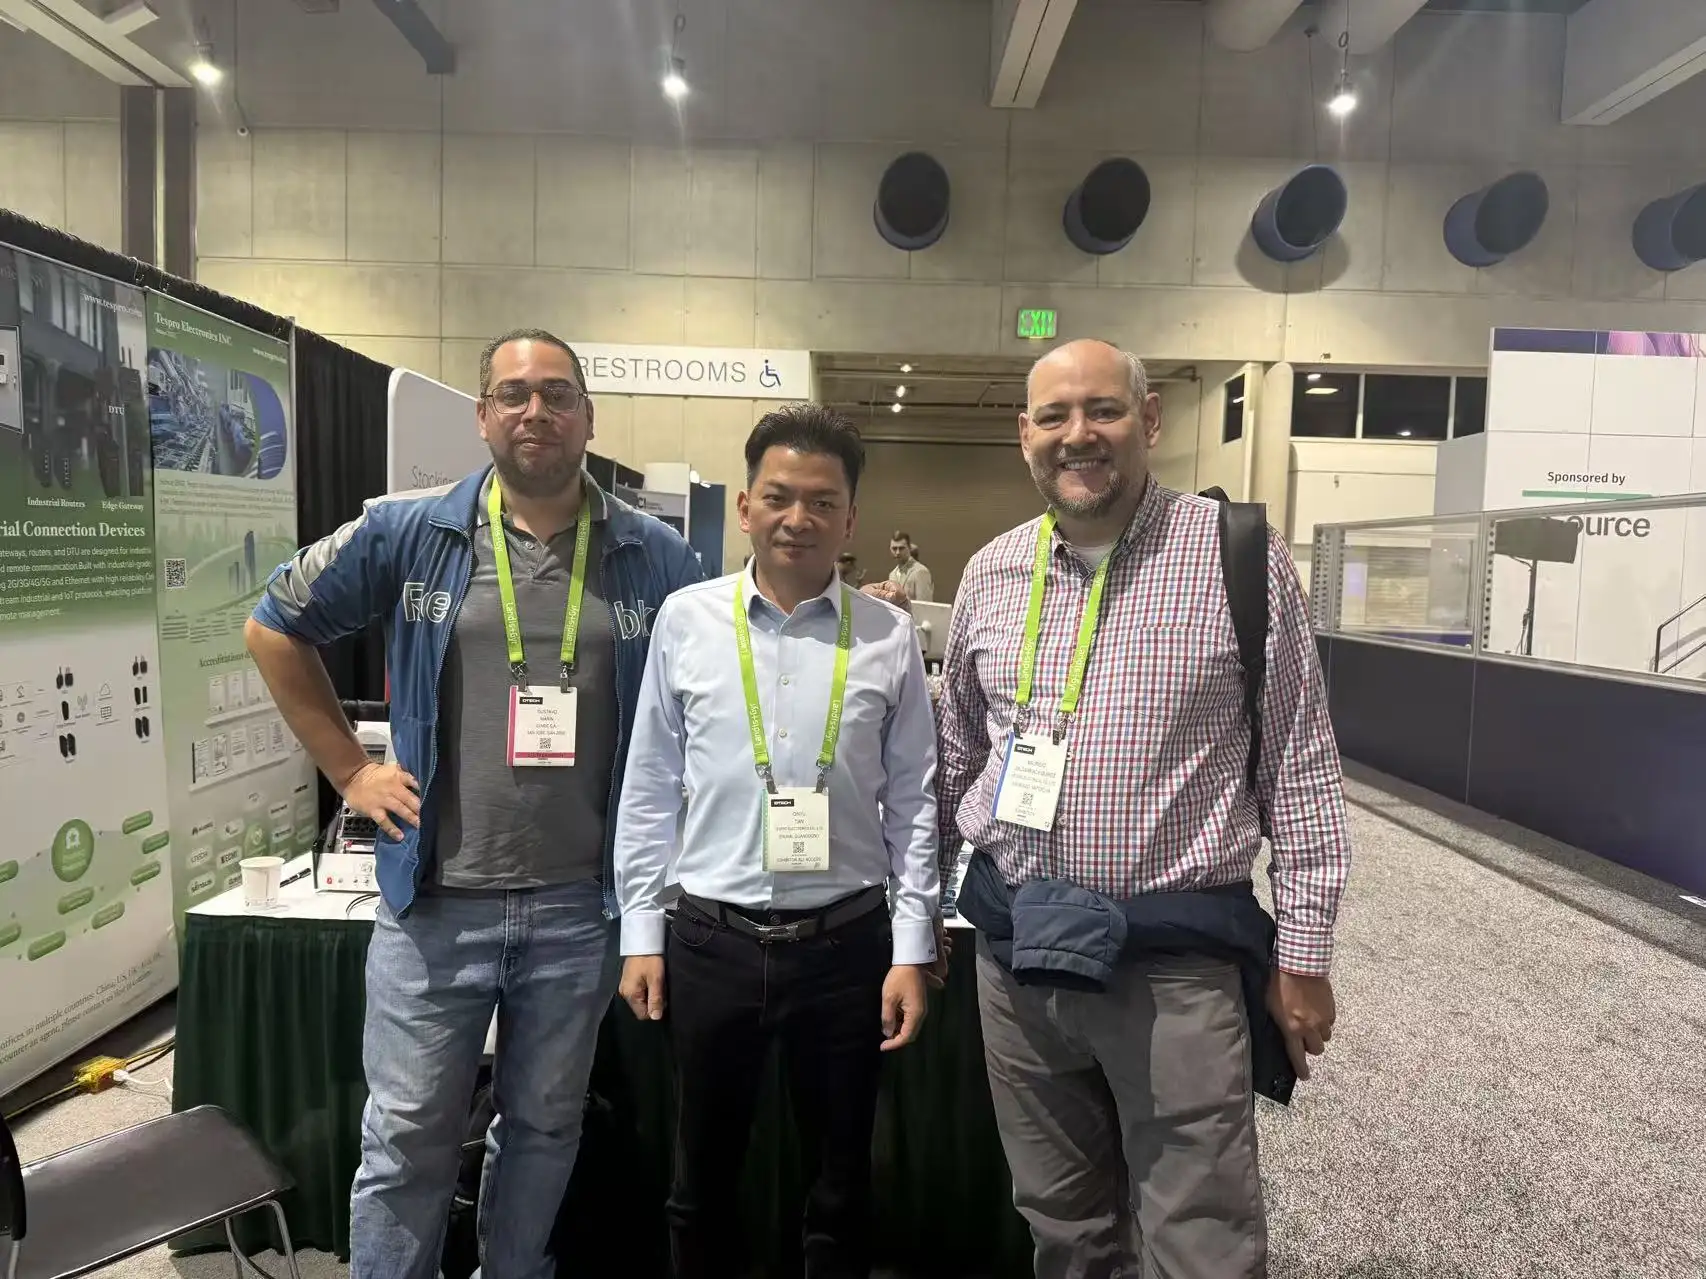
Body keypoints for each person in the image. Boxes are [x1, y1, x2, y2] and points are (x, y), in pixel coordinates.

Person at [245, 328, 703, 1279]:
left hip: (581, 909)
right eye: (514, 394)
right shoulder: (408, 532)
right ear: (484, 415)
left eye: (558, 394)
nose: (537, 411)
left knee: (544, 1127)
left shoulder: (653, 554)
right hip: (436, 905)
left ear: (588, 416)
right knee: (407, 1135)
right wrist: (350, 772)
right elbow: (273, 625)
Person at [935, 338, 1351, 1279]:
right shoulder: (993, 572)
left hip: (1171, 972)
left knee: (1199, 1238)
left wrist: (1305, 955)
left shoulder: (1238, 559)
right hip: (1018, 966)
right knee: (1062, 1226)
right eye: (1054, 416)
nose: (1078, 434)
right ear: (1025, 435)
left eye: (1103, 410)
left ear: (1150, 419)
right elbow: (955, 758)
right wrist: (925, 916)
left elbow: (1301, 768)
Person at [614, 403, 944, 1279]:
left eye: (822, 501)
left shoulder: (889, 636)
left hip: (846, 947)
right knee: (700, 1182)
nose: (799, 517)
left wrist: (912, 948)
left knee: (840, 1185)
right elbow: (649, 784)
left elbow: (914, 801)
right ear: (747, 506)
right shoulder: (686, 619)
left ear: (851, 519)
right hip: (710, 942)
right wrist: (641, 931)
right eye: (779, 496)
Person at [887, 530, 934, 602]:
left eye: (901, 548)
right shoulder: (892, 574)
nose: (898, 552)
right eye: (894, 548)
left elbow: (924, 605)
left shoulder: (921, 571)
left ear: (909, 548)